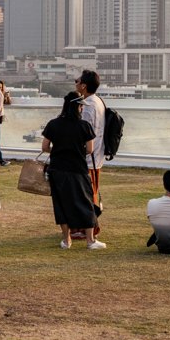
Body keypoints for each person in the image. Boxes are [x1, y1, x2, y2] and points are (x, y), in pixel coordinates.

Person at [40, 92, 101, 250]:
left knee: (61, 204)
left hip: (57, 169)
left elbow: (45, 147)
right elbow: (89, 149)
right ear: (77, 107)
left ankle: (66, 241)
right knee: (85, 203)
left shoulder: (53, 124)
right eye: (81, 106)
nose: (82, 108)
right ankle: (90, 241)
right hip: (78, 169)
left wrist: (59, 150)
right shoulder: (84, 126)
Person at [76, 69, 108, 238]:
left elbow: (87, 133)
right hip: (96, 156)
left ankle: (90, 228)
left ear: (84, 85)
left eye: (77, 81)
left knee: (88, 194)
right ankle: (86, 227)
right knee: (91, 192)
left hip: (89, 158)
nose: (75, 84)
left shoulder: (88, 105)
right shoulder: (98, 101)